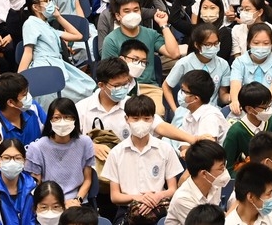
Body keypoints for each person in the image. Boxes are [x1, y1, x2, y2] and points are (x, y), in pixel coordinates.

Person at [102, 96, 182, 225]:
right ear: (126, 119)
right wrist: (139, 198)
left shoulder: (165, 149)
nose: (141, 123)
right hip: (127, 208)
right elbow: (115, 196)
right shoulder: (116, 153)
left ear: (153, 119)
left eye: (146, 119)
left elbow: (172, 189)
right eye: (135, 118)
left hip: (159, 206)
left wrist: (157, 196)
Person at [19, 0, 95, 103]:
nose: (50, 3)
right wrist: (19, 79)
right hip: (44, 66)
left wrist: (58, 16)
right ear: (35, 7)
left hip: (58, 64)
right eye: (46, 1)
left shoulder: (48, 26)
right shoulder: (30, 23)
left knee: (88, 85)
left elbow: (78, 36)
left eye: (50, 0)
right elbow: (28, 52)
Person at [23, 97, 94, 205]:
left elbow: (87, 179)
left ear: (75, 119)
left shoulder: (85, 142)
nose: (62, 122)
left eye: (67, 117)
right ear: (50, 120)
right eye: (57, 118)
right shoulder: (37, 147)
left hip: (78, 202)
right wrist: (59, 204)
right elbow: (36, 185)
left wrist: (77, 200)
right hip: (49, 203)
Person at [165, 140, 228, 225]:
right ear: (204, 174)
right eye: (221, 168)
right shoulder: (183, 199)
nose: (224, 171)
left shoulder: (215, 184)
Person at [0, 137, 37, 225]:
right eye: (6, 158)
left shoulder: (33, 189)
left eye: (17, 158)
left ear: (24, 161)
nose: (12, 162)